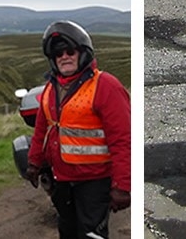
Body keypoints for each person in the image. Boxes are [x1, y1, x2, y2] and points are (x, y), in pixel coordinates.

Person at [25, 21, 131, 239]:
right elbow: (41, 130)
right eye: (57, 53)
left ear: (82, 53)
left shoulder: (106, 86)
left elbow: (123, 139)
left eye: (69, 51)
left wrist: (123, 185)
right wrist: (34, 162)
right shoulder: (50, 89)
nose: (64, 56)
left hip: (95, 182)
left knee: (92, 235)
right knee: (67, 231)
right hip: (61, 180)